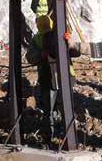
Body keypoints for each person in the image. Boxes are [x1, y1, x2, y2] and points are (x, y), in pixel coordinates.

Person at [24, 15, 81, 144]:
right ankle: (59, 135)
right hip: (56, 79)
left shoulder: (53, 37)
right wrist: (42, 54)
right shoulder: (50, 37)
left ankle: (52, 135)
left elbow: (30, 57)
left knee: (50, 109)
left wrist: (70, 43)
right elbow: (76, 52)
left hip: (51, 79)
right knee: (59, 108)